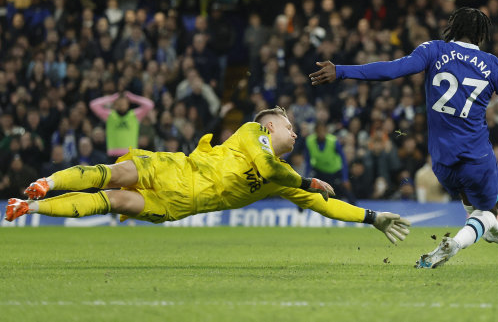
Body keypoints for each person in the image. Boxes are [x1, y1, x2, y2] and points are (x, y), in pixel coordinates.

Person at [310, 7, 498, 268]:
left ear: (452, 28)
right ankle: (457, 242)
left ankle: (494, 232)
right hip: (476, 156)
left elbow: (392, 70)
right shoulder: (492, 65)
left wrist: (341, 71)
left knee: (471, 201)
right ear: (482, 34)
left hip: (441, 161)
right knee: (491, 208)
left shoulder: (433, 50)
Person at [6, 107, 410, 244]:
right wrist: (307, 182)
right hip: (173, 169)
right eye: (289, 126)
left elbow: (326, 206)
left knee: (114, 201)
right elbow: (269, 167)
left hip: (177, 205)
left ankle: (30, 207)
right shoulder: (253, 134)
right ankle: (48, 184)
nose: (296, 132)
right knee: (113, 174)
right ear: (269, 126)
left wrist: (372, 218)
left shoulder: (283, 177)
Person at [89, 91, 155, 158]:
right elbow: (93, 104)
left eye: (123, 101)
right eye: (119, 102)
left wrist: (133, 98)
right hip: (113, 155)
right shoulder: (109, 115)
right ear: (115, 103)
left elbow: (150, 104)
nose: (121, 104)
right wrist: (111, 98)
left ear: (128, 103)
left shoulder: (135, 115)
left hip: (130, 154)